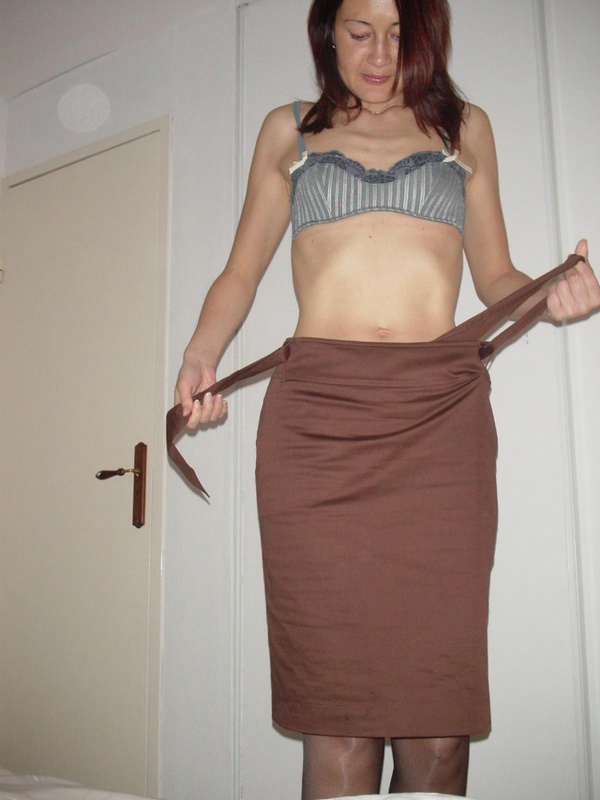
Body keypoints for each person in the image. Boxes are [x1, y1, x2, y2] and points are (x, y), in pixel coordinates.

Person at [172, 1, 600, 797]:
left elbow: (496, 276)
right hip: (316, 428)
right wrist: (200, 355)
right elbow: (240, 272)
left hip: (439, 421)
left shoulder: (465, 129)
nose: (379, 54)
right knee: (337, 719)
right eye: (360, 31)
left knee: (439, 723)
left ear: (426, 37)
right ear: (328, 31)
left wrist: (552, 295)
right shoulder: (289, 131)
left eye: (400, 34)